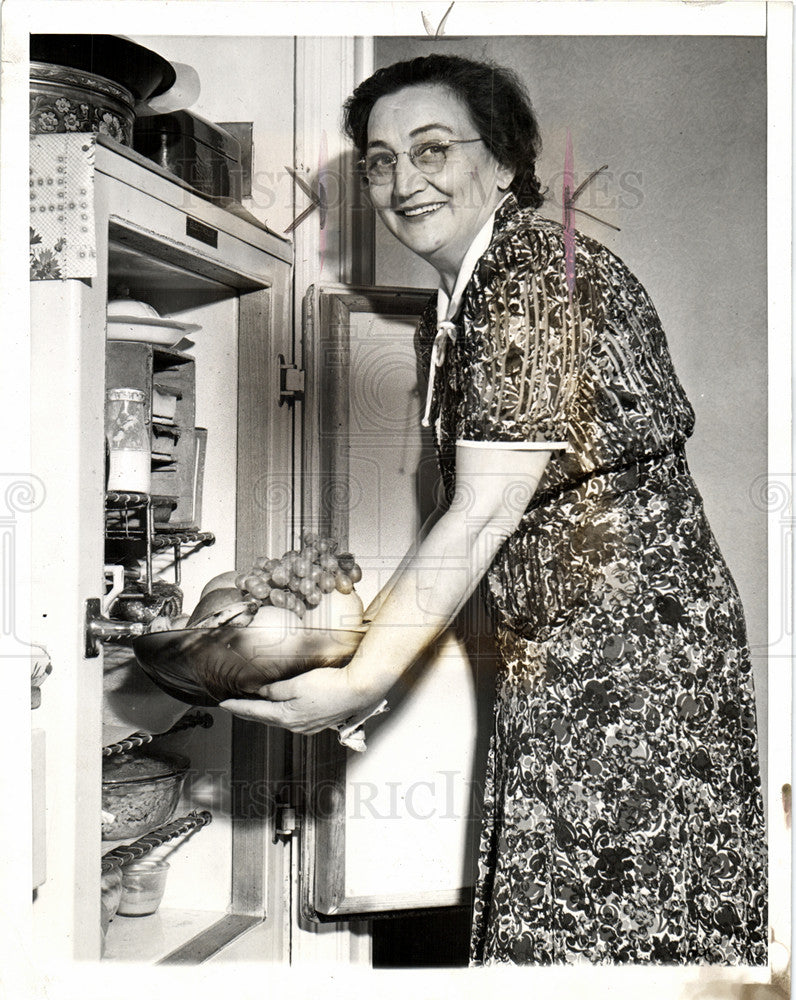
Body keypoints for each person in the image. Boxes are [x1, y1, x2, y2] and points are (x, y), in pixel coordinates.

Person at [221, 54, 767, 966]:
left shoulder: (529, 280)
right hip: (597, 652)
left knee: (606, 930)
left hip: (623, 669)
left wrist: (361, 683)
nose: (403, 181)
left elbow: (480, 511)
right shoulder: (484, 286)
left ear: (506, 161)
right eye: (381, 160)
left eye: (432, 149)